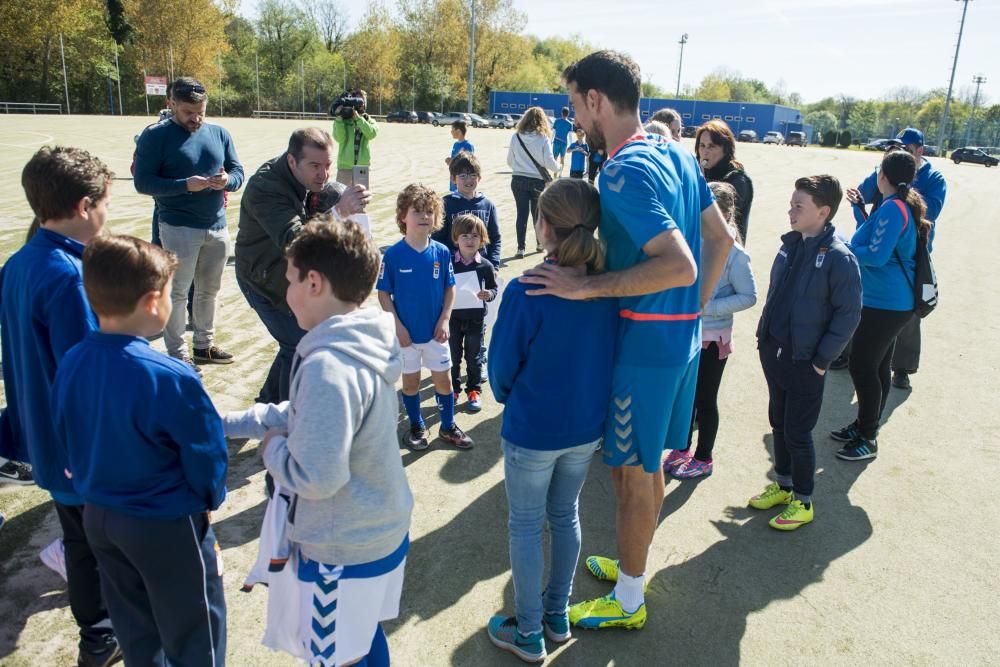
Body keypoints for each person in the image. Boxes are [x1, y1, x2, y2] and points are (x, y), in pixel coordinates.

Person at [520, 50, 734, 630]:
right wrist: (689, 314)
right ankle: (631, 569)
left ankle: (630, 602)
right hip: (676, 343)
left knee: (633, 477)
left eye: (573, 106)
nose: (572, 121)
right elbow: (723, 242)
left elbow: (681, 263)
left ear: (596, 100)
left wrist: (585, 288)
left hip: (645, 348)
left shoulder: (621, 170)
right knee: (642, 466)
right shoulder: (674, 153)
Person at [224, 220, 413, 667]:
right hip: (377, 531)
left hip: (341, 549)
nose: (286, 291)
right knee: (363, 640)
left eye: (290, 279)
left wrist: (272, 450)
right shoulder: (363, 338)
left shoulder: (328, 364)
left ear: (313, 282)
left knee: (335, 657)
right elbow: (304, 415)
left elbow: (317, 476)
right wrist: (230, 422)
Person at [52, 235, 228, 666]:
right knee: (195, 631)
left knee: (136, 629)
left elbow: (64, 430)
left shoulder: (72, 360)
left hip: (99, 516)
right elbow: (205, 453)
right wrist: (210, 500)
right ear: (153, 302)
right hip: (165, 523)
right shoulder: (169, 375)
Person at [485, 178, 618, 662]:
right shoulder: (609, 284)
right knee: (565, 515)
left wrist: (505, 396)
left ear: (544, 227)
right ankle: (556, 614)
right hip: (585, 429)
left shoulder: (528, 288)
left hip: (533, 429)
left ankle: (528, 630)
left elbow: (501, 366)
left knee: (525, 525)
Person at [0, 146, 121, 666]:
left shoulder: (20, 262)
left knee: (79, 536)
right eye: (105, 205)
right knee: (98, 545)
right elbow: (84, 372)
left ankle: (98, 631)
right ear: (85, 205)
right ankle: (99, 636)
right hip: (77, 443)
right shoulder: (70, 277)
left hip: (41, 430)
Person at [749, 175, 861, 529]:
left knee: (798, 432)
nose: (791, 210)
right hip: (776, 352)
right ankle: (783, 485)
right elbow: (776, 294)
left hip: (805, 361)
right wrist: (764, 336)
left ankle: (804, 500)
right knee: (778, 424)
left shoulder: (840, 257)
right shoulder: (791, 244)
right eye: (791, 203)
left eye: (799, 206)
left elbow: (849, 315)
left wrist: (821, 361)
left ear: (823, 211)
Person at [236, 127, 370, 404]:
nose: (323, 174)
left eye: (328, 165)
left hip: (291, 278)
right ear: (292, 161)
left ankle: (267, 408)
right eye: (315, 166)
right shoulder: (265, 187)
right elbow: (295, 241)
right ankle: (285, 419)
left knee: (297, 343)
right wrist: (339, 211)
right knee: (298, 344)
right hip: (261, 279)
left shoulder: (313, 184)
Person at [133, 76, 244, 373]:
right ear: (171, 104)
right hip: (178, 227)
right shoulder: (155, 137)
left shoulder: (219, 133)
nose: (196, 119)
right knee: (178, 291)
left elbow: (238, 172)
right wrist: (184, 185)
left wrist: (227, 181)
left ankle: (204, 346)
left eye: (201, 113)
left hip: (217, 226)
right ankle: (177, 353)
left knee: (209, 290)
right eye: (188, 113)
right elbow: (142, 182)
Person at [830, 127, 946, 388]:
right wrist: (864, 200)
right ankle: (850, 355)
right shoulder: (887, 178)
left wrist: (845, 248)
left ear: (920, 151)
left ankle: (902, 367)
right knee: (866, 309)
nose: (901, 151)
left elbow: (930, 212)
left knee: (905, 315)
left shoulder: (932, 179)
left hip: (910, 257)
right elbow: (866, 193)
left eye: (906, 148)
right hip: (883, 251)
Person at [831, 151, 926, 462]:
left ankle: (868, 437)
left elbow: (875, 255)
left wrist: (844, 247)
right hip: (888, 301)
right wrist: (860, 210)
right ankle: (864, 426)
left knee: (862, 365)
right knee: (878, 366)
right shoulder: (895, 205)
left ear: (883, 176)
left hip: (887, 303)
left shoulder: (893, 208)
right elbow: (876, 238)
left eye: (877, 172)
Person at [664, 182, 758, 480]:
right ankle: (682, 447)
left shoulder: (736, 254)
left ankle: (704, 457)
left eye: (712, 214)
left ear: (729, 215)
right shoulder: (693, 239)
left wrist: (707, 306)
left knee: (705, 399)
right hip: (688, 333)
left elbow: (749, 297)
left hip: (713, 339)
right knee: (687, 397)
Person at [377, 184, 474, 451]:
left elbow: (449, 287)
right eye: (417, 211)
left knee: (444, 380)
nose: (424, 216)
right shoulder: (394, 255)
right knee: (410, 383)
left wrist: (445, 320)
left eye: (429, 211)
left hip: (435, 333)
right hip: (406, 336)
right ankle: (417, 426)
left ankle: (447, 426)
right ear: (402, 217)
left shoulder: (442, 252)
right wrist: (397, 327)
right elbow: (383, 294)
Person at [448, 214, 498, 413]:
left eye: (475, 236)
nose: (470, 240)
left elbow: (494, 289)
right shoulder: (448, 262)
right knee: (452, 355)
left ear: (482, 239)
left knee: (474, 356)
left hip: (476, 319)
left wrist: (489, 294)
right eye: (465, 236)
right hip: (451, 318)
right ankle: (452, 389)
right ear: (455, 239)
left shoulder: (485, 265)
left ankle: (474, 390)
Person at [434, 151, 501, 269]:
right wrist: (447, 262)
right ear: (453, 179)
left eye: (472, 175)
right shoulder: (445, 204)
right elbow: (438, 239)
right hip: (453, 267)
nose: (468, 180)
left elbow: (495, 238)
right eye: (462, 176)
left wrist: (494, 265)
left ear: (479, 178)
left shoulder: (488, 205)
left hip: (482, 266)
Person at [507, 107, 558, 258]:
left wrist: (520, 167)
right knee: (537, 214)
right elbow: (549, 162)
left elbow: (509, 161)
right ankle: (539, 243)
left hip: (517, 179)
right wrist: (559, 167)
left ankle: (520, 248)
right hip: (537, 181)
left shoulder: (516, 137)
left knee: (521, 214)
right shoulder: (543, 138)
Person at [695, 119, 754, 242]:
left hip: (726, 253)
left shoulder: (738, 180)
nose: (705, 152)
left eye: (712, 146)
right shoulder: (698, 172)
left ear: (725, 149)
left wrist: (700, 184)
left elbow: (717, 217)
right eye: (702, 145)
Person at [332, 89, 377, 186]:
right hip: (344, 167)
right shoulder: (342, 121)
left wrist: (358, 119)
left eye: (363, 101)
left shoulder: (369, 120)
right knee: (342, 197)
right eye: (358, 101)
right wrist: (339, 117)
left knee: (361, 198)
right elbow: (339, 139)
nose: (361, 104)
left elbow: (371, 134)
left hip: (362, 167)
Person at [445, 120, 475, 192]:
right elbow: (455, 160)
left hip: (462, 180)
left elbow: (469, 164)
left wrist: (452, 162)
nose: (451, 132)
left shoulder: (468, 145)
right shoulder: (455, 144)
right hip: (454, 178)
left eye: (452, 129)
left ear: (458, 131)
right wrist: (450, 162)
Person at [552, 107, 574, 176]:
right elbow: (570, 136)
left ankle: (555, 172)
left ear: (561, 113)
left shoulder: (556, 121)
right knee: (562, 159)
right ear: (568, 114)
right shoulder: (570, 124)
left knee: (555, 158)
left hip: (556, 142)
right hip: (564, 143)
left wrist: (551, 141)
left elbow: (553, 132)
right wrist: (570, 145)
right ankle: (560, 174)